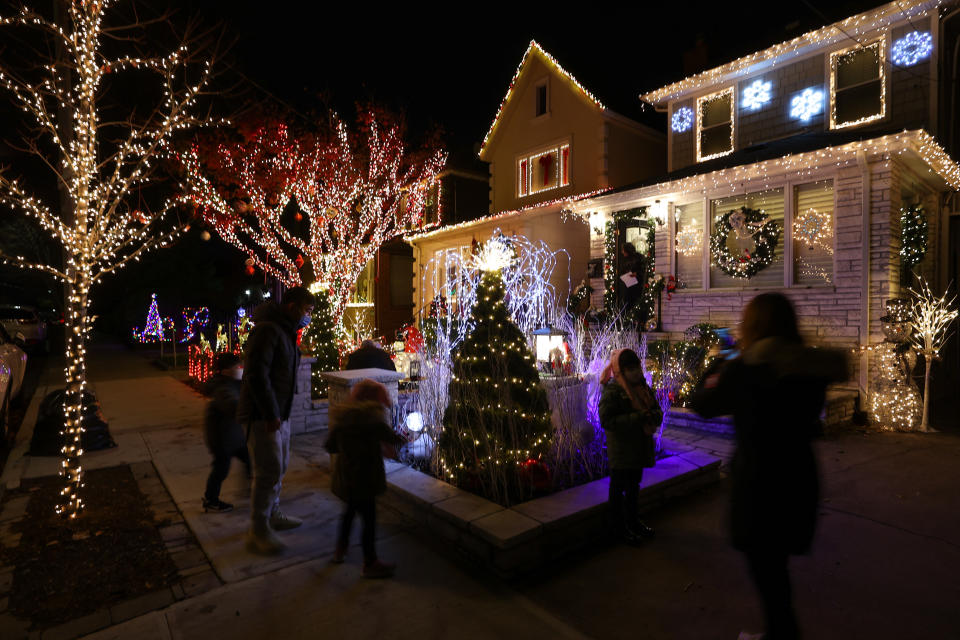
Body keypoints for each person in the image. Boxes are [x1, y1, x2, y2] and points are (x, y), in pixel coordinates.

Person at [689, 293, 847, 640]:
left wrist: (719, 363)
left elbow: (701, 403)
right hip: (799, 478)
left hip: (758, 486)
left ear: (753, 325)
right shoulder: (808, 370)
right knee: (775, 569)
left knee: (766, 569)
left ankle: (781, 633)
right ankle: (780, 631)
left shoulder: (744, 372)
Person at [239, 286, 316, 555]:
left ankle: (273, 514)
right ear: (293, 307)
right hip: (263, 416)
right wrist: (271, 413)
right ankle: (258, 530)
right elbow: (257, 375)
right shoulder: (268, 330)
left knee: (279, 468)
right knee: (267, 470)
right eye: (307, 311)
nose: (308, 316)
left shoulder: (285, 331)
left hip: (279, 415)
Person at [325, 379, 405, 578]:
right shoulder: (373, 418)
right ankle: (370, 562)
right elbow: (395, 439)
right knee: (369, 520)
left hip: (347, 476)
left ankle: (339, 551)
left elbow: (330, 446)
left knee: (349, 514)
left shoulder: (343, 418)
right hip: (366, 477)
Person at [599, 348, 662, 545]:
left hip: (638, 447)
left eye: (636, 367)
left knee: (634, 487)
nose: (635, 372)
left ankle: (633, 522)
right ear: (620, 370)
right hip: (622, 449)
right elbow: (607, 420)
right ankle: (618, 528)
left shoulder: (642, 387)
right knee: (618, 489)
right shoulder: (614, 391)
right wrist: (638, 417)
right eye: (629, 368)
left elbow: (655, 408)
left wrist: (654, 416)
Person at [201, 352, 250, 513]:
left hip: (233, 436)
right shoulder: (222, 387)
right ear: (225, 370)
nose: (240, 368)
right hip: (221, 438)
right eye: (237, 366)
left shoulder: (234, 382)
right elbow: (232, 406)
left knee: (250, 459)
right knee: (221, 468)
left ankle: (253, 488)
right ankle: (211, 500)